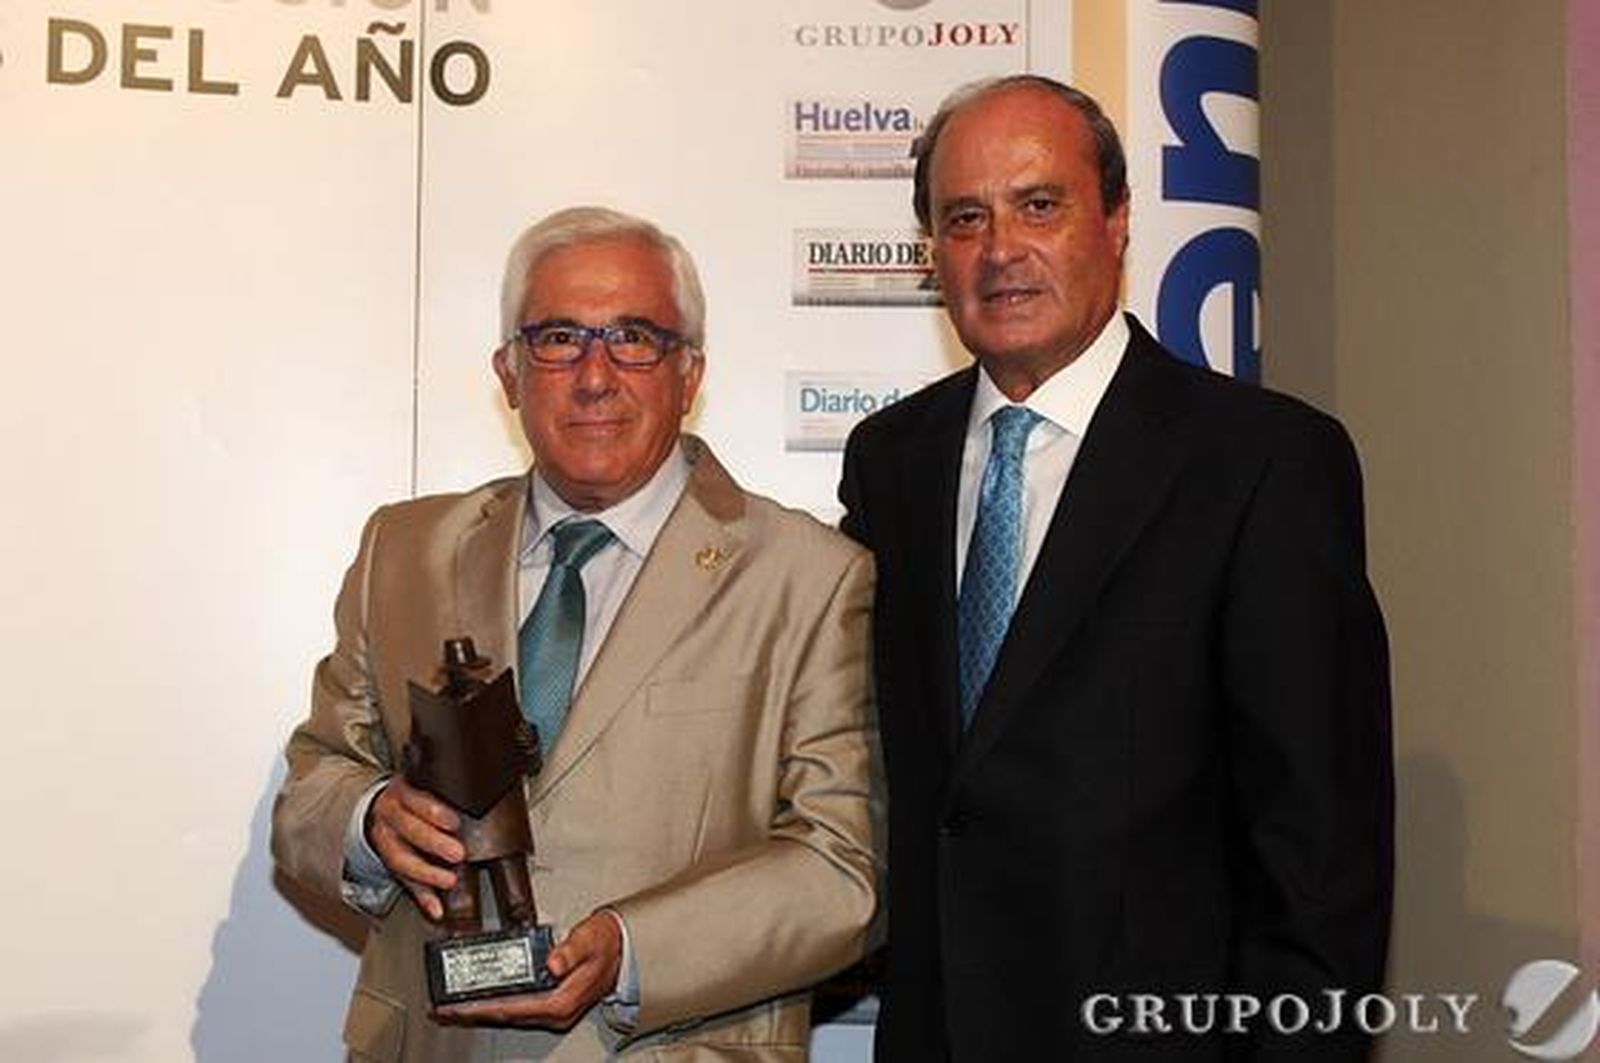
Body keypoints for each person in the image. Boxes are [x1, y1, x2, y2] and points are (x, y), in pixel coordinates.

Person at [838, 75, 1392, 1061]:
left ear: (1117, 219)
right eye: (964, 217)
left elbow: (1318, 854)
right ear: (933, 251)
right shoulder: (891, 460)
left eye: (1038, 205)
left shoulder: (1261, 462)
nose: (999, 248)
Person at [273, 206, 878, 1061]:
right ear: (509, 371)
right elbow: (312, 783)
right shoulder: (402, 551)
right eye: (558, 338)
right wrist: (369, 821)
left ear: (690, 372)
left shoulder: (809, 577)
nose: (595, 376)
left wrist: (634, 949)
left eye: (634, 337)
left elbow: (843, 869)